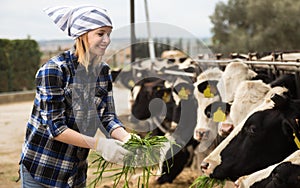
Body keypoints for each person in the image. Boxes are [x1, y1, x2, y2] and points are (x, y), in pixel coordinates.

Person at [19, 5, 133, 188]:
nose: (107, 40)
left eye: (109, 34)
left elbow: (106, 116)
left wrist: (128, 139)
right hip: (42, 168)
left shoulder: (103, 71)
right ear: (82, 35)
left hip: (75, 172)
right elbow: (56, 128)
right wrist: (101, 145)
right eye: (101, 33)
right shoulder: (54, 70)